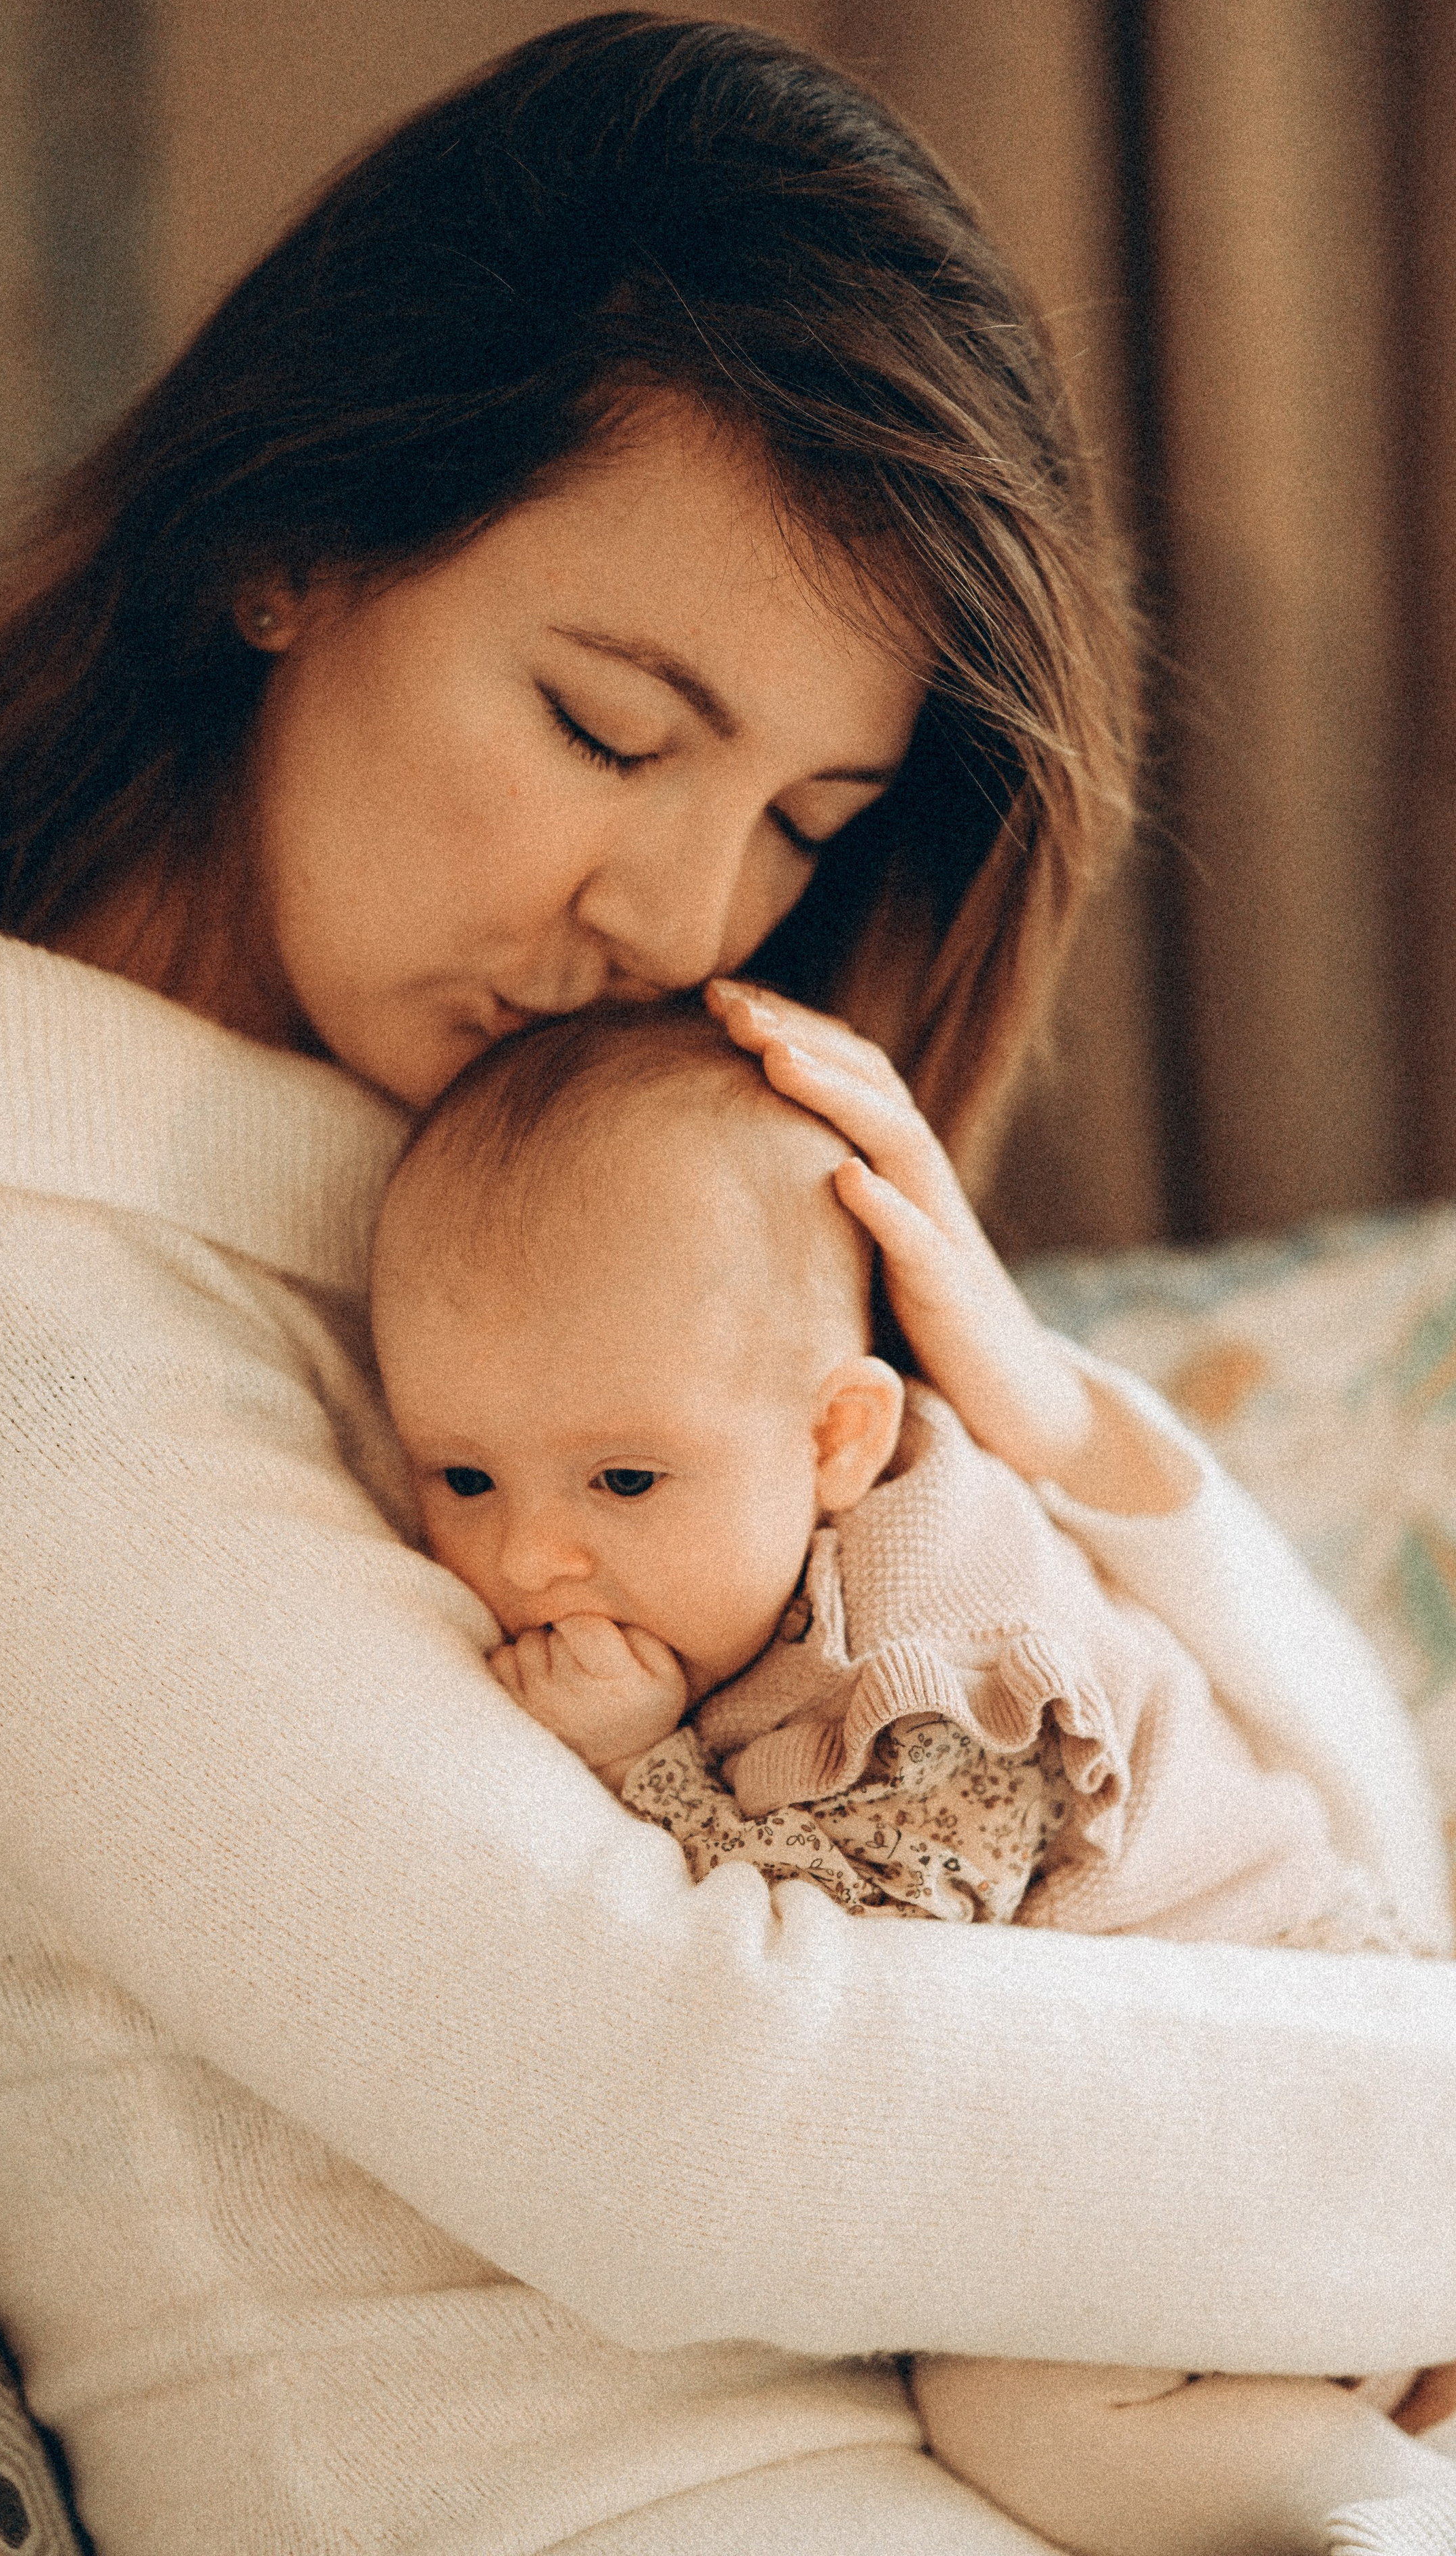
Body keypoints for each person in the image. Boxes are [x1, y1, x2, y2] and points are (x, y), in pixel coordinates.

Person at [0, 10, 1453, 2556]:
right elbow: (668, 2110)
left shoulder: (495, 1184)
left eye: (801, 820)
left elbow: (1325, 1845)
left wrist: (1045, 1418)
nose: (685, 915)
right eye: (611, 727)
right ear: (285, 542)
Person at [368, 993, 1456, 2556]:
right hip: (1186, 2138)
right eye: (461, 1477)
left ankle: (1375, 2516)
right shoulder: (772, 1565)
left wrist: (633, 1770)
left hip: (1275, 2110)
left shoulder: (928, 1655)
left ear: (835, 1439)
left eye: (622, 1478)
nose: (531, 1553)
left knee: (1018, 2407)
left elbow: (877, 1984)